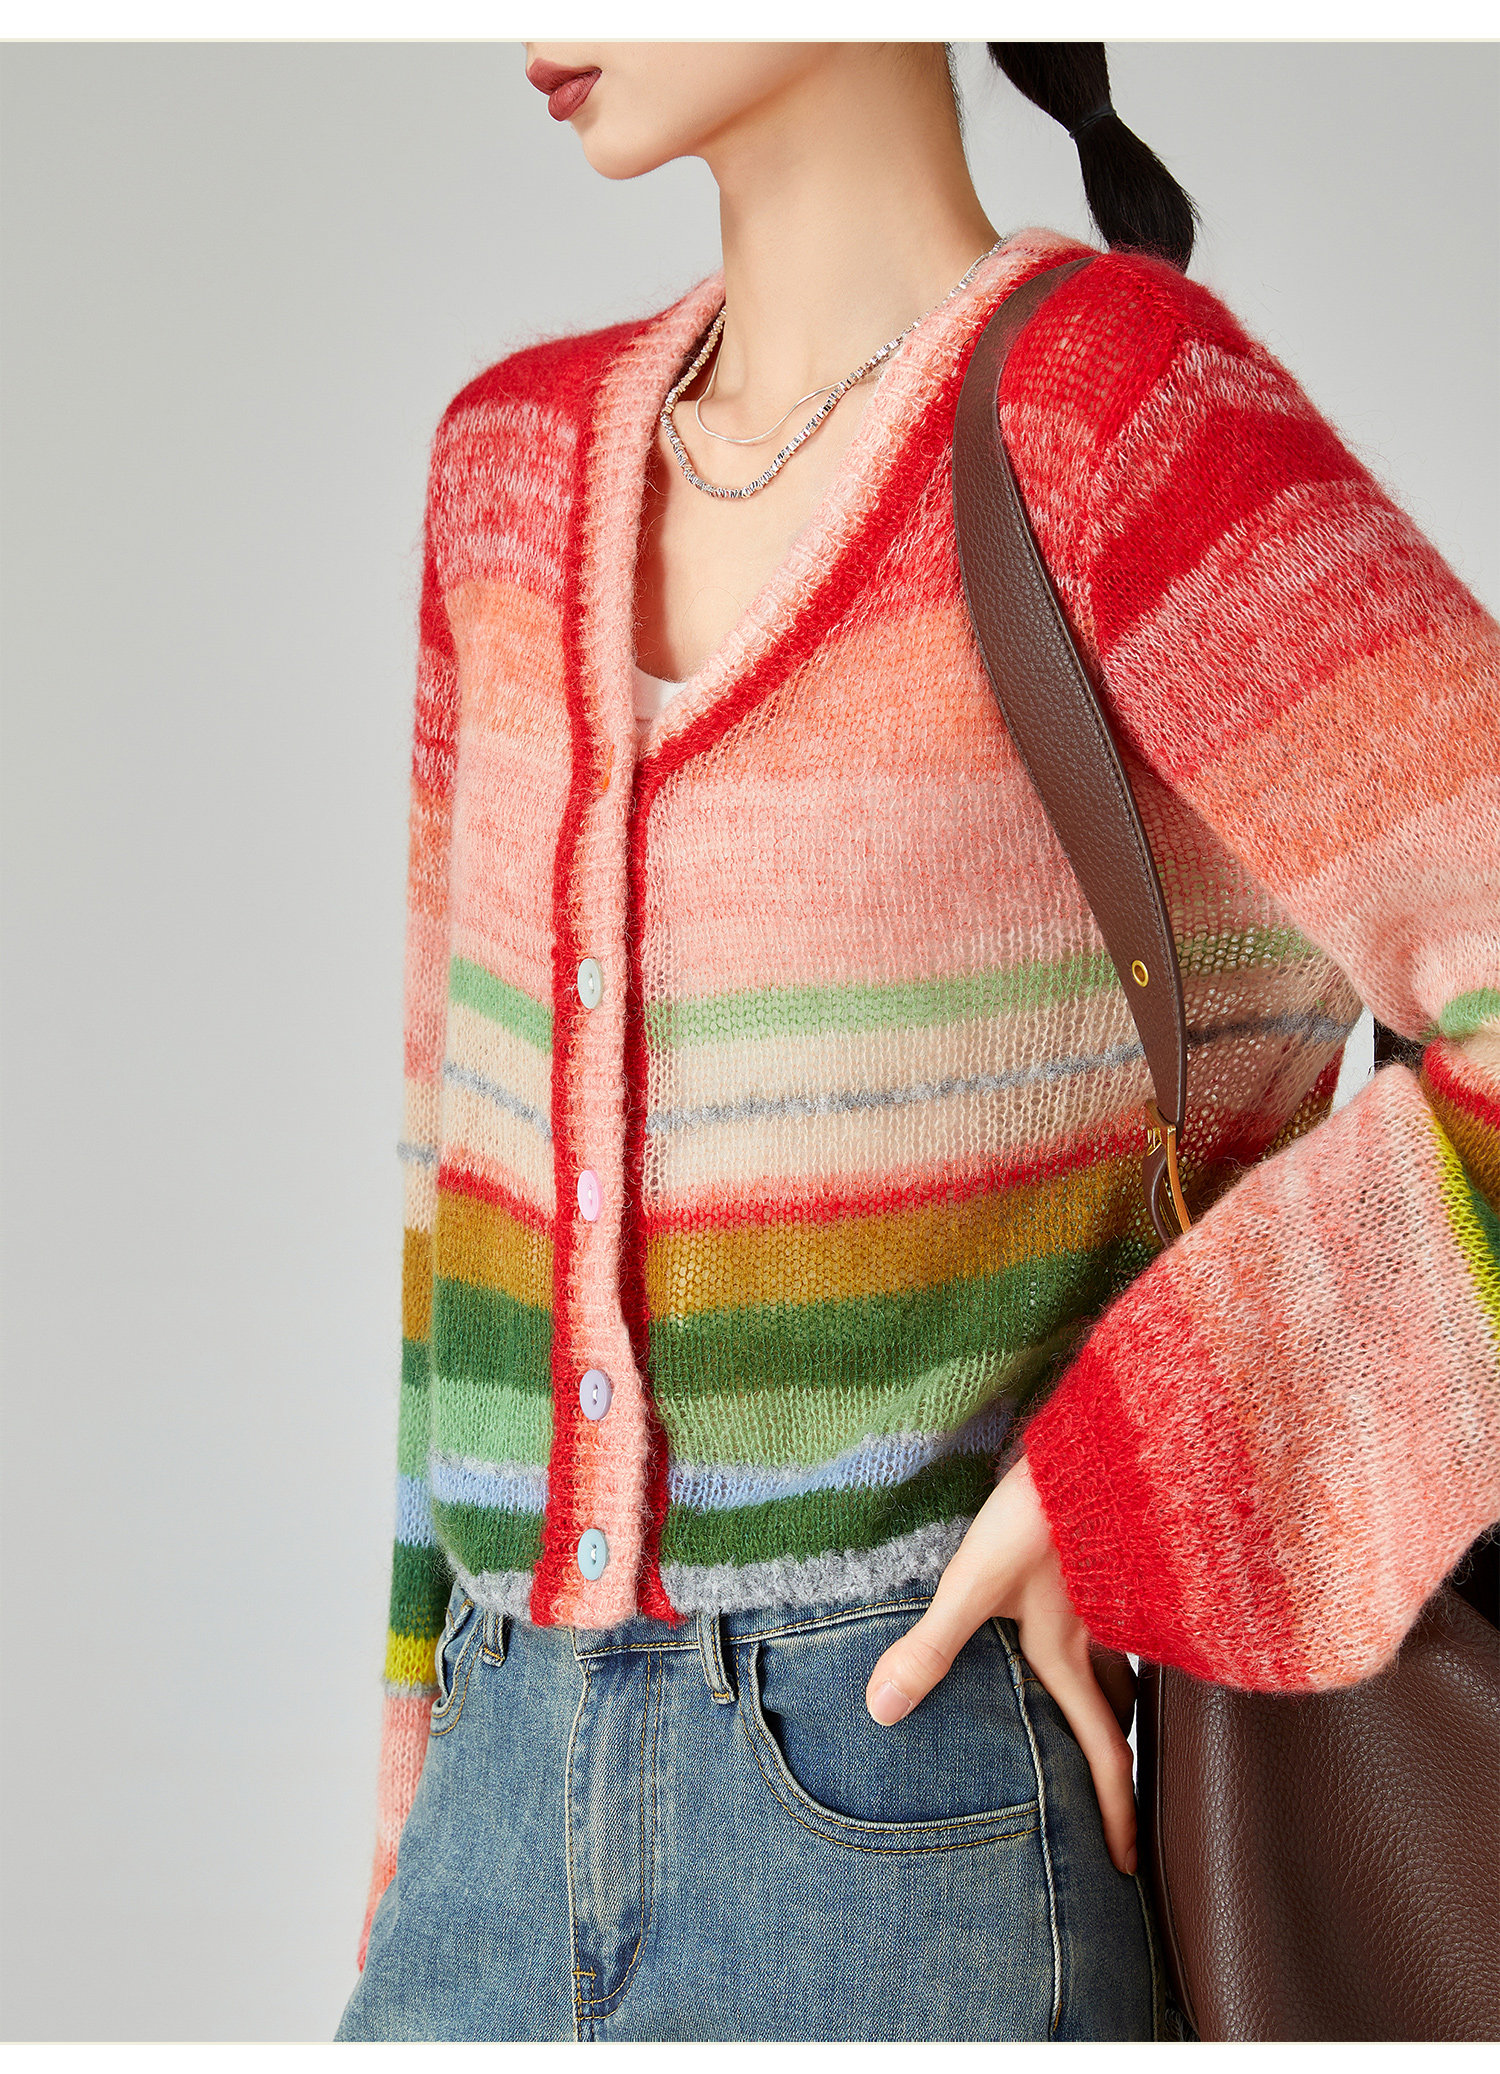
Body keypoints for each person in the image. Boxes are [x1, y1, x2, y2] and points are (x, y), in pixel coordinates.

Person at [335, 42, 1500, 2043]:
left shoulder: (1110, 413)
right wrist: (411, 1785)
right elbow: (455, 1202)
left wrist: (1148, 1456)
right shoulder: (501, 474)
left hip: (913, 1805)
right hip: (493, 1801)